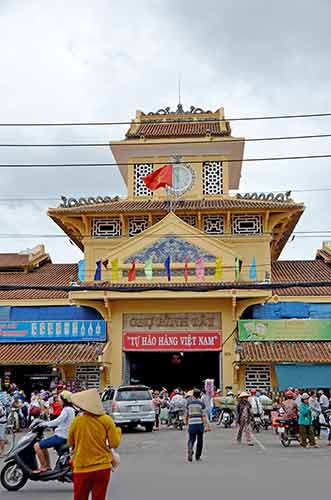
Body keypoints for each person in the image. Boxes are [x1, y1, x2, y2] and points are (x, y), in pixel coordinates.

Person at [68, 388, 122, 500]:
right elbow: (114, 443)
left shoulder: (77, 421)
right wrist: (118, 431)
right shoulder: (106, 420)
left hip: (81, 468)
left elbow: (70, 442)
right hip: (102, 468)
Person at [34, 390, 75, 472]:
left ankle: (44, 467)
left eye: (60, 399)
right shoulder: (71, 409)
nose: (58, 401)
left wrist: (45, 424)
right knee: (43, 445)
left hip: (61, 436)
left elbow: (58, 421)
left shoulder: (66, 410)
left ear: (64, 400)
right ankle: (47, 466)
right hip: (65, 435)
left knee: (37, 446)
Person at [185, 388, 207, 462]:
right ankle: (197, 456)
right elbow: (203, 416)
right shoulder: (201, 404)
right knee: (200, 440)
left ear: (193, 395)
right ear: (199, 395)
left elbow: (186, 415)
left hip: (191, 424)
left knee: (191, 439)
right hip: (199, 424)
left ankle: (190, 448)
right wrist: (206, 425)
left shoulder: (189, 404)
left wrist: (186, 422)